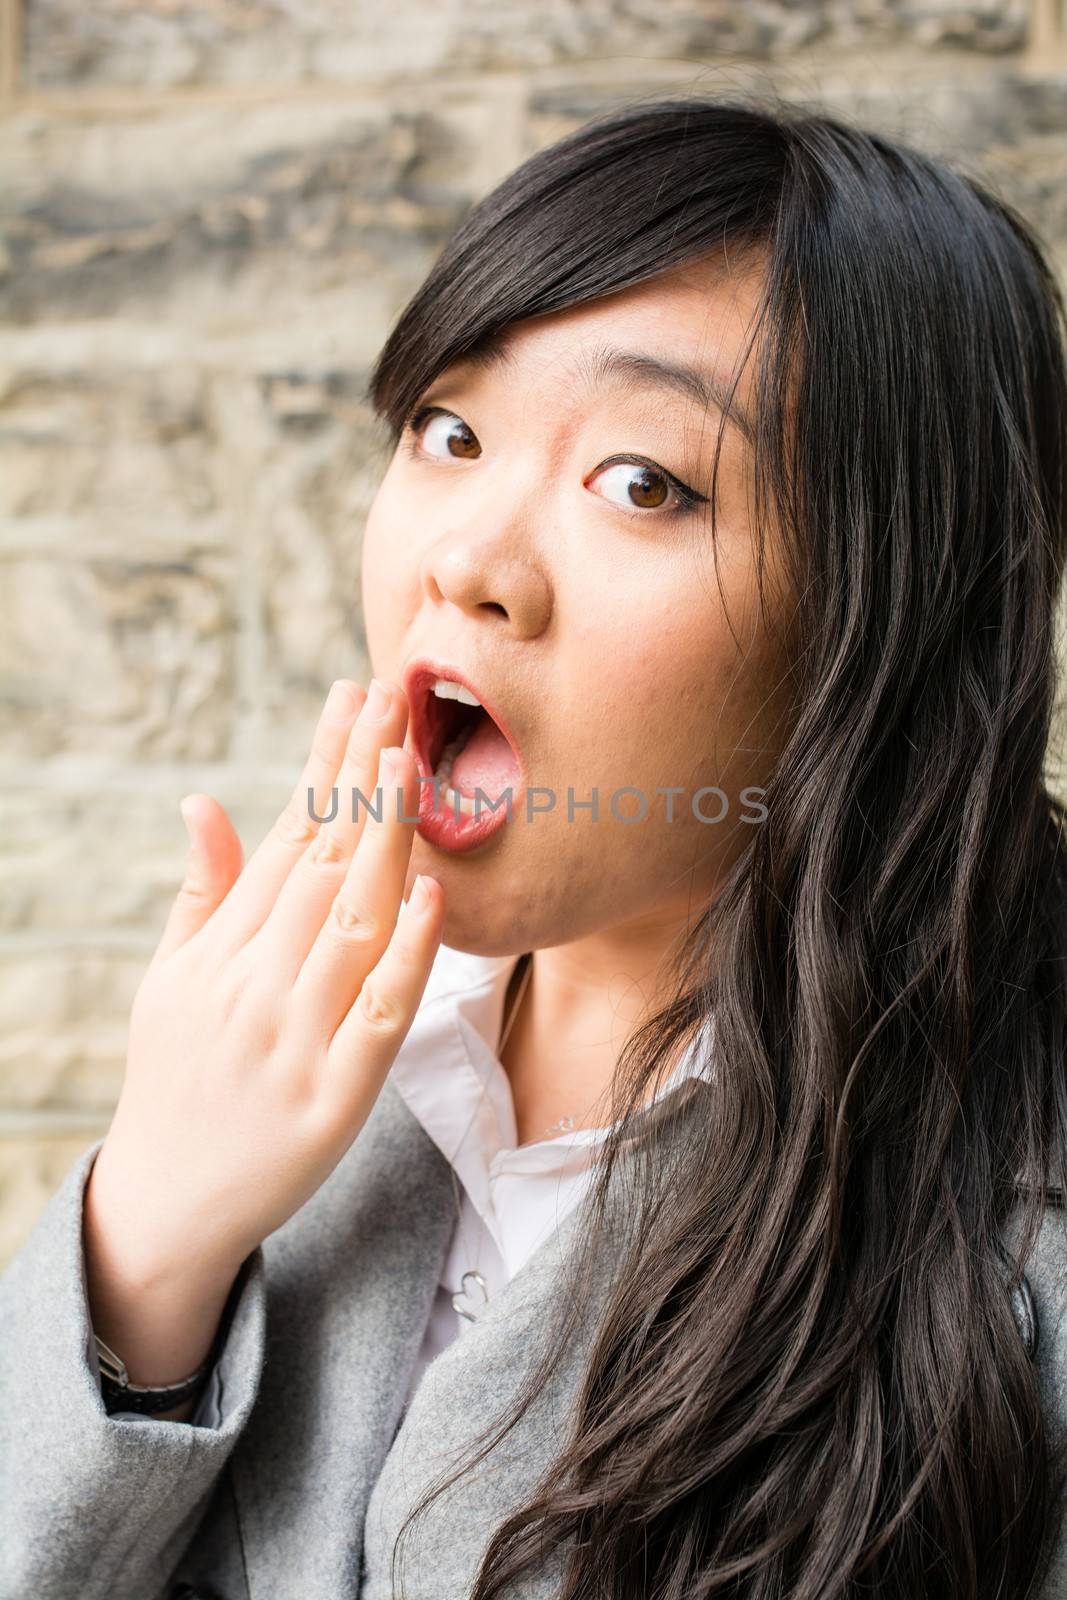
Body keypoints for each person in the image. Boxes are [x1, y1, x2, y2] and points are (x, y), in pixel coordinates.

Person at [2, 90, 1067, 1600]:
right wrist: (147, 1247)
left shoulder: (1014, 1254)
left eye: (646, 484)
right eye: (450, 430)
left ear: (879, 618)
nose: (471, 561)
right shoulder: (281, 1082)